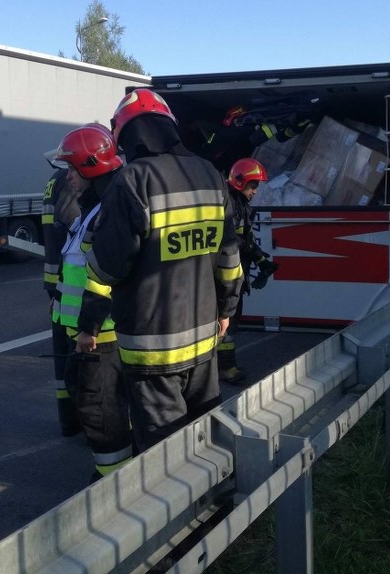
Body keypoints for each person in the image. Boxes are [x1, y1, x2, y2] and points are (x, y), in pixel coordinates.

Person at [76, 88, 244, 452]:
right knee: (207, 435)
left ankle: (183, 509)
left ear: (127, 136)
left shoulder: (132, 181)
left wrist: (88, 326)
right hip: (203, 340)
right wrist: (227, 310)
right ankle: (219, 502)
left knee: (164, 453)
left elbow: (106, 268)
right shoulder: (212, 176)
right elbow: (230, 258)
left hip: (151, 350)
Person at [52, 124, 134, 480]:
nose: (68, 176)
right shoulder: (91, 207)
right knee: (93, 402)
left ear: (91, 168)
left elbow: (105, 273)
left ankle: (113, 479)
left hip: (101, 335)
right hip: (86, 333)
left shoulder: (106, 211)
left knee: (100, 409)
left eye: (73, 169)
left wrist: (89, 327)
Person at [217, 157, 279, 384]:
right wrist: (258, 256)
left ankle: (223, 365)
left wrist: (262, 261)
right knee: (228, 325)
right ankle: (225, 367)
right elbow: (233, 240)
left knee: (230, 324)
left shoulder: (241, 206)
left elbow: (246, 240)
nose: (254, 192)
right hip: (227, 276)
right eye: (253, 187)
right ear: (241, 182)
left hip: (235, 274)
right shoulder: (230, 205)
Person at [42, 159, 82, 436]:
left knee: (63, 356)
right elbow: (72, 227)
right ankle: (80, 421)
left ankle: (68, 422)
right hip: (72, 284)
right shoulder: (71, 181)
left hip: (58, 283)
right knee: (77, 356)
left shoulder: (55, 180)